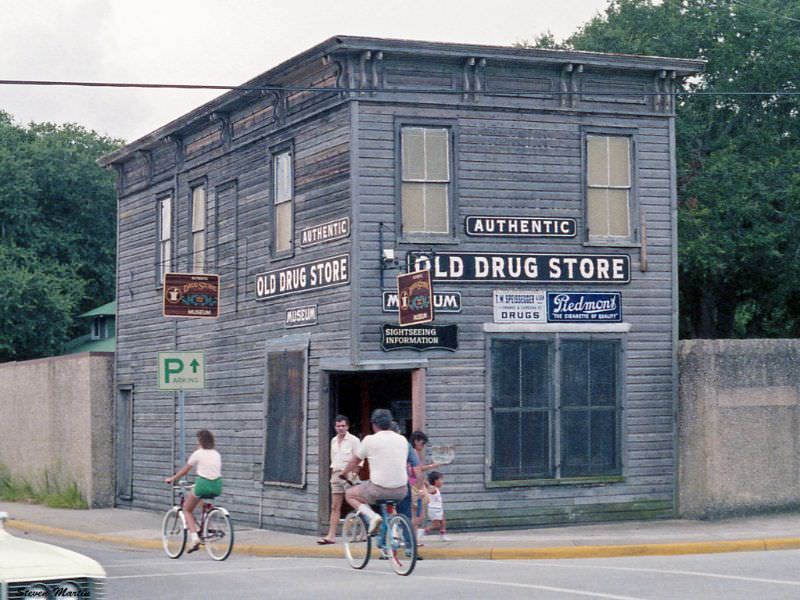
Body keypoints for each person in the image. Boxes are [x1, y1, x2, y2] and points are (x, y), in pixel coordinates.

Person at [339, 408, 409, 534]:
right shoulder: (402, 439)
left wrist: (344, 473)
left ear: (374, 424)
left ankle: (373, 517)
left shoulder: (369, 440)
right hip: (401, 490)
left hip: (379, 490)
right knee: (391, 504)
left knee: (350, 494)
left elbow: (355, 460)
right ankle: (395, 533)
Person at [164, 429, 223, 553]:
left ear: (200, 441)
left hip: (202, 485)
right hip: (217, 486)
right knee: (198, 495)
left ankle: (194, 538)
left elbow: (185, 470)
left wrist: (173, 479)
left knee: (187, 509)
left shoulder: (198, 453)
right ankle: (209, 524)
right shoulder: (216, 454)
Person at [318, 415, 360, 545]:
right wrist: (333, 475)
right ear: (335, 427)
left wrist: (354, 474)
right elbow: (333, 460)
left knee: (355, 503)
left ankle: (362, 532)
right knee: (335, 506)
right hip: (336, 474)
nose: (341, 428)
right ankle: (331, 535)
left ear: (347, 426)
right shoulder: (333, 441)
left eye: (343, 425)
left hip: (349, 475)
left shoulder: (354, 440)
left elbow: (359, 460)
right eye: (338, 426)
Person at [409, 430, 441, 542]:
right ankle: (404, 530)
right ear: (416, 441)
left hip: (418, 485)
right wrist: (432, 465)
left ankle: (413, 540)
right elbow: (416, 470)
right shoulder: (413, 453)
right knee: (419, 516)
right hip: (414, 485)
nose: (423, 446)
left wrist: (426, 484)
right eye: (422, 443)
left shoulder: (415, 453)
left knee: (417, 515)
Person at [424, 470, 451, 541]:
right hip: (434, 509)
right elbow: (428, 487)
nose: (442, 481)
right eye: (441, 480)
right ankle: (424, 531)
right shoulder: (433, 488)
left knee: (443, 521)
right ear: (435, 481)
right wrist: (425, 482)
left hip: (438, 508)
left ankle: (443, 536)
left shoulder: (435, 489)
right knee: (436, 525)